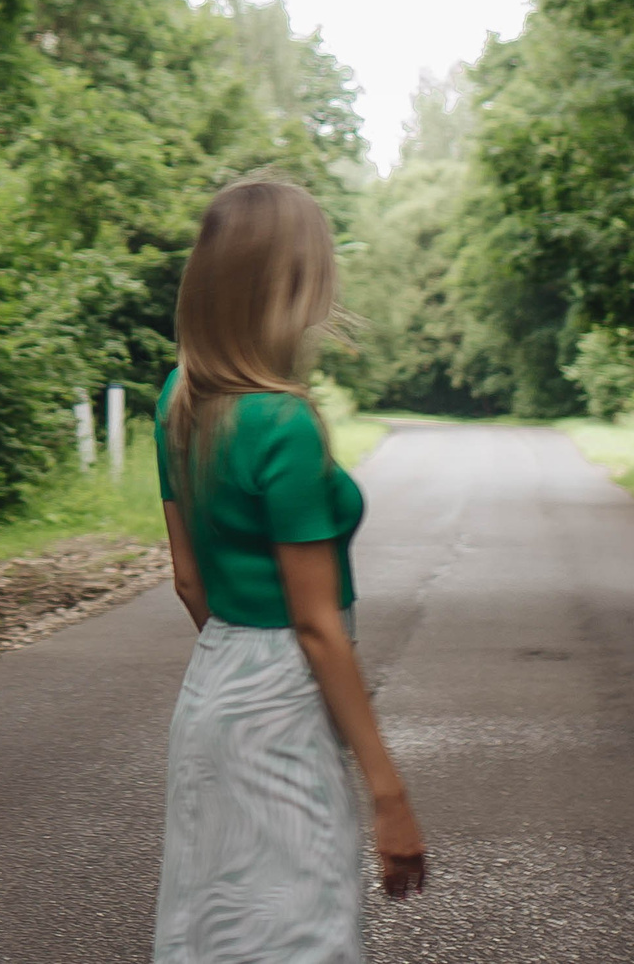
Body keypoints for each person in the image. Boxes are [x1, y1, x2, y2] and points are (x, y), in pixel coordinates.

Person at [154, 175, 427, 964]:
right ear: (292, 279)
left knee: (217, 929)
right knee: (303, 929)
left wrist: (239, 669)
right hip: (282, 703)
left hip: (211, 691)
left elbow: (189, 580)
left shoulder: (178, 396)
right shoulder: (285, 422)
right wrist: (389, 792)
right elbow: (316, 626)